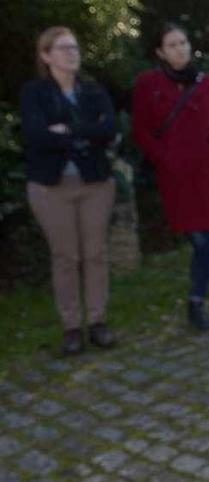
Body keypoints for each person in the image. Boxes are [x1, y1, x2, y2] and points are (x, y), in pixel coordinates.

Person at [132, 23, 209, 331]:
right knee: (199, 237)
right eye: (172, 44)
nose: (180, 49)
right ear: (160, 52)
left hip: (207, 174)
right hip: (177, 177)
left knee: (201, 239)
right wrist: (162, 157)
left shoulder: (206, 82)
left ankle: (197, 304)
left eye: (183, 42)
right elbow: (140, 130)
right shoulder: (148, 84)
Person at [20, 26, 118, 355]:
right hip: (51, 188)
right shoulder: (34, 93)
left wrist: (69, 130)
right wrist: (85, 135)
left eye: (75, 47)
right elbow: (37, 136)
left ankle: (98, 321)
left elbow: (108, 129)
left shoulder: (92, 91)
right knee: (65, 257)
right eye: (63, 48)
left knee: (95, 254)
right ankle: (72, 327)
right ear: (46, 56)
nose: (72, 53)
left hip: (95, 184)